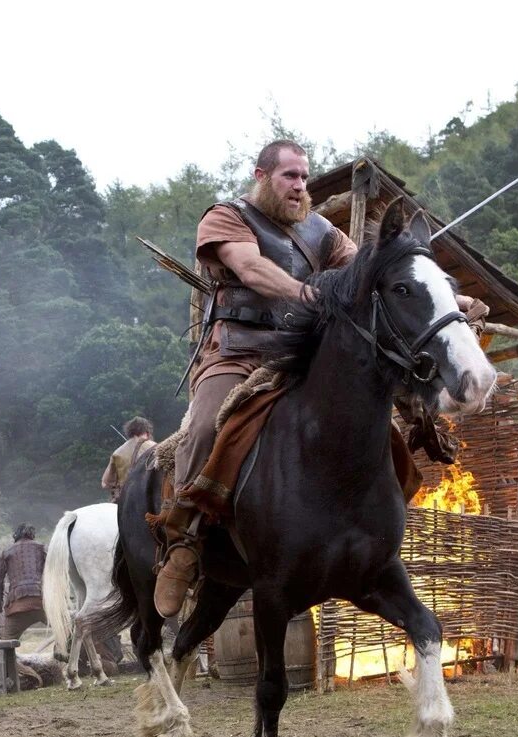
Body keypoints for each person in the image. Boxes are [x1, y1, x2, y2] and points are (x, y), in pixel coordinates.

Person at [153, 139, 490, 616]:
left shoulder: (323, 232)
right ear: (262, 175)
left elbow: (374, 273)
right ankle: (183, 538)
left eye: (304, 177)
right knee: (207, 425)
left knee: (369, 420)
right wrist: (305, 292)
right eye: (289, 176)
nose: (299, 186)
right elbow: (249, 268)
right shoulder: (226, 217)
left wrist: (454, 305)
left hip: (300, 354)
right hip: (238, 352)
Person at [0, 524, 47, 640]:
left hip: (17, 606)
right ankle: (68, 656)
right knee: (67, 633)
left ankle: (6, 658)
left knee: (6, 643)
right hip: (42, 603)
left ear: (16, 536)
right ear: (32, 535)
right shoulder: (43, 548)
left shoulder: (6, 552)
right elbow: (56, 575)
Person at [102, 416, 156, 502]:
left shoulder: (117, 453)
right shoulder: (157, 448)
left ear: (129, 432)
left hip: (126, 501)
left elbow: (105, 483)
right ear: (147, 432)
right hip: (151, 500)